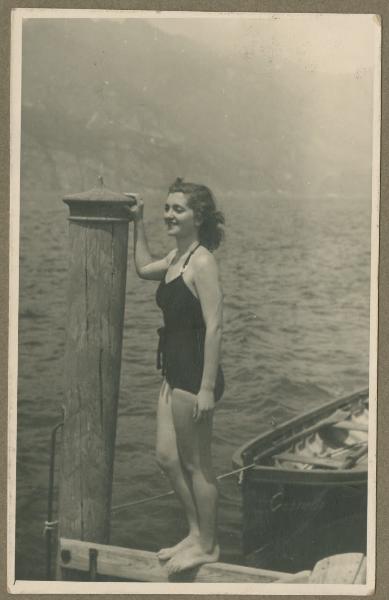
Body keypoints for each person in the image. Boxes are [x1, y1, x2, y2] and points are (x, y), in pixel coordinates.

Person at [130, 178, 225, 575]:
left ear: (198, 217)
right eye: (166, 208)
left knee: (196, 465)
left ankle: (208, 544)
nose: (169, 214)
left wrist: (205, 389)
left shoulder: (201, 261)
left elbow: (216, 325)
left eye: (178, 209)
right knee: (167, 458)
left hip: (194, 376)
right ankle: (193, 532)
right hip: (173, 371)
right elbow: (139, 268)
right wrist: (137, 222)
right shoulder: (174, 259)